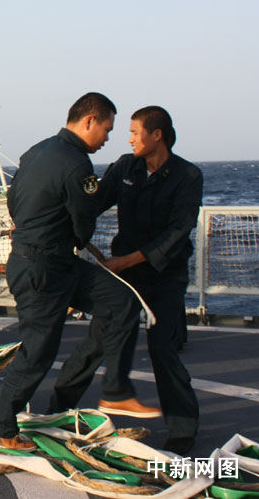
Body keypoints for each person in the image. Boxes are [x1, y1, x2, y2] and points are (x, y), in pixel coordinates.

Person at [0, 93, 158, 453]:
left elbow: (13, 201)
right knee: (38, 353)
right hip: (44, 270)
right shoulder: (77, 165)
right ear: (89, 121)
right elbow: (84, 221)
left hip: (52, 263)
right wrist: (67, 236)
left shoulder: (36, 151)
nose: (107, 138)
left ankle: (79, 399)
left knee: (120, 302)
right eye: (107, 129)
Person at [49, 106, 201, 454]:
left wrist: (125, 261)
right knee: (97, 342)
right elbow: (91, 204)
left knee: (163, 348)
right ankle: (56, 412)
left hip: (164, 275)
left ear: (156, 135)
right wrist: (48, 216)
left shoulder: (188, 176)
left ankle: (183, 431)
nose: (129, 138)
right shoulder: (124, 167)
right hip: (124, 273)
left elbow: (178, 233)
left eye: (134, 132)